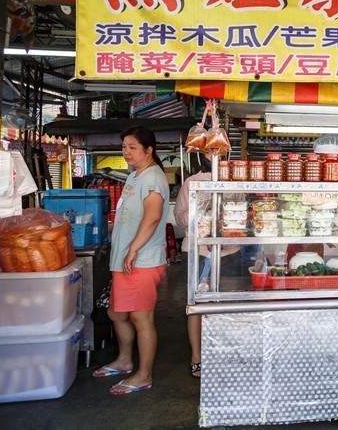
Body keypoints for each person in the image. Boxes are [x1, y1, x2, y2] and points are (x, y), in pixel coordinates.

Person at [92, 126, 169, 396]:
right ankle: (125, 360)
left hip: (142, 260)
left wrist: (134, 248)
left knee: (141, 318)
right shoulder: (135, 176)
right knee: (117, 312)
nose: (126, 152)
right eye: (124, 146)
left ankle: (144, 375)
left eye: (132, 147)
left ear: (149, 150)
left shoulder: (153, 178)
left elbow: (153, 217)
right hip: (125, 259)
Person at [174, 152, 244, 378]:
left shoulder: (235, 182)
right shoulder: (192, 182)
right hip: (198, 251)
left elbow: (242, 218)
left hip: (230, 253)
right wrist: (202, 218)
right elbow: (179, 216)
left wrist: (228, 232)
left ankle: (224, 353)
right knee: (197, 305)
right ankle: (197, 357)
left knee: (227, 304)